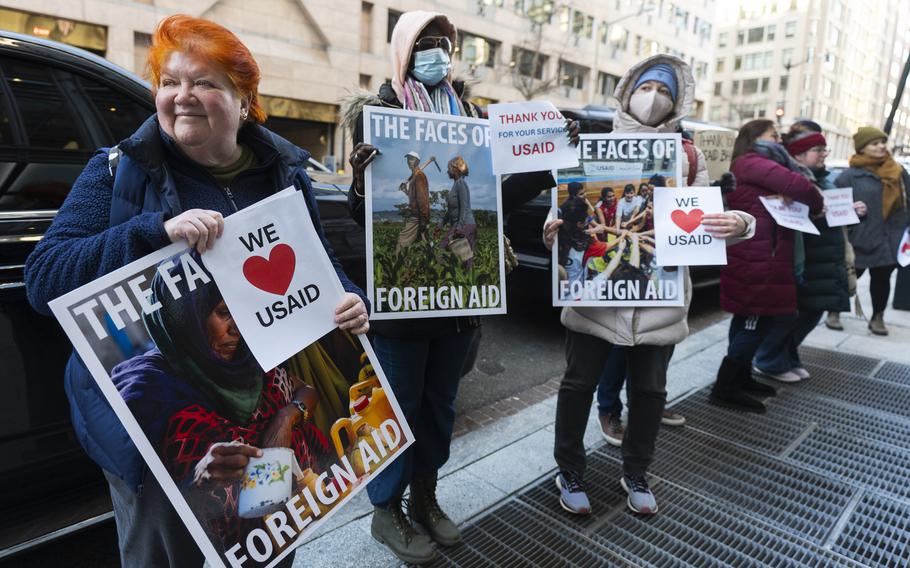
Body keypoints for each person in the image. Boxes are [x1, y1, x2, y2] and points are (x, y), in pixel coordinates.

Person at [23, 15, 369, 567]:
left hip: (268, 406)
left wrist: (350, 299)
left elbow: (317, 267)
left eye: (204, 82)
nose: (182, 97)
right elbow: (44, 280)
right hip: (154, 453)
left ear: (244, 98)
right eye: (168, 82)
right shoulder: (116, 172)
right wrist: (151, 234)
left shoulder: (284, 175)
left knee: (267, 540)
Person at [342, 10, 578, 564]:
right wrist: (359, 180)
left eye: (444, 44)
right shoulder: (379, 116)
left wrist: (548, 161)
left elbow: (497, 198)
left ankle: (426, 495)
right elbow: (362, 215)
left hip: (459, 300)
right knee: (397, 407)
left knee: (439, 407)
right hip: (401, 307)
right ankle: (386, 509)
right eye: (424, 44)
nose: (436, 54)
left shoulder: (473, 118)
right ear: (404, 52)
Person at [543, 55, 754, 517]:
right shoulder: (588, 150)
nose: (653, 97)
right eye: (645, 87)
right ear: (626, 91)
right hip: (594, 304)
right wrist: (553, 230)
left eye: (664, 90)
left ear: (677, 101)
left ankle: (637, 470)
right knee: (578, 385)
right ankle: (569, 470)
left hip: (660, 301)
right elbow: (559, 211)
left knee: (651, 393)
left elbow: (712, 214)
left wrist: (738, 222)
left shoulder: (688, 155)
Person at [111, 254, 333, 555]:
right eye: (224, 312)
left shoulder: (244, 360)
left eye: (240, 312)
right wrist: (201, 479)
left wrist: (287, 417)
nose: (237, 329)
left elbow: (303, 390)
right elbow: (167, 500)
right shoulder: (152, 392)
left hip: (278, 532)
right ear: (186, 318)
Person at [710, 119, 824, 413]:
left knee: (747, 320)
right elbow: (802, 187)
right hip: (758, 256)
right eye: (773, 135)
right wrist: (807, 196)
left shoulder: (749, 164)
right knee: (755, 320)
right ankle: (725, 387)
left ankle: (742, 377)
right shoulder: (752, 161)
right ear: (754, 139)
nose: (779, 140)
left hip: (758, 252)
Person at [752, 127, 853, 382]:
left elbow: (833, 216)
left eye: (824, 149)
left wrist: (854, 213)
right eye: (817, 150)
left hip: (825, 257)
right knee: (797, 313)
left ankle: (787, 356)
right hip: (805, 259)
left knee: (812, 312)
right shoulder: (792, 181)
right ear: (797, 155)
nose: (823, 154)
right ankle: (769, 359)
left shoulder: (824, 179)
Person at [835, 126, 910, 335]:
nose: (881, 146)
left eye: (882, 142)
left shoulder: (898, 171)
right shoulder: (849, 175)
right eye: (874, 143)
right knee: (849, 276)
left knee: (882, 279)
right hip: (860, 236)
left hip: (890, 237)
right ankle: (834, 310)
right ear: (862, 148)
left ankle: (878, 317)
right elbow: (837, 206)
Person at [439, 156, 476, 270]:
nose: (447, 171)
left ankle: (464, 282)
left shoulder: (461, 184)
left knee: (443, 250)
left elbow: (464, 207)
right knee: (464, 260)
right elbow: (450, 210)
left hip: (464, 225)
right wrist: (441, 224)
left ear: (455, 169)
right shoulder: (456, 185)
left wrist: (459, 227)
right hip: (460, 225)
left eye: (449, 168)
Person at [396, 150, 430, 253]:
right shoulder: (414, 177)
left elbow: (422, 199)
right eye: (408, 159)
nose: (409, 162)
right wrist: (405, 190)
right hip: (418, 215)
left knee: (402, 239)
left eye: (411, 159)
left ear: (417, 161)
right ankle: (436, 264)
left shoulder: (419, 176)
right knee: (424, 244)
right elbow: (414, 197)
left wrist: (423, 219)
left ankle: (396, 265)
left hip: (418, 216)